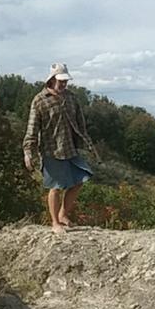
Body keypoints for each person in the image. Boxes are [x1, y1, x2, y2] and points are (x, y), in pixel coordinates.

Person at [23, 62, 94, 233]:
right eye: (60, 81)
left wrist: (88, 143)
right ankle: (55, 223)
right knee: (55, 187)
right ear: (52, 79)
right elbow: (32, 129)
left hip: (70, 148)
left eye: (65, 81)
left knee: (80, 179)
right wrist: (28, 152)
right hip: (50, 149)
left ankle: (63, 214)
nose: (63, 84)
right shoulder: (39, 101)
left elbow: (80, 123)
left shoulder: (71, 97)